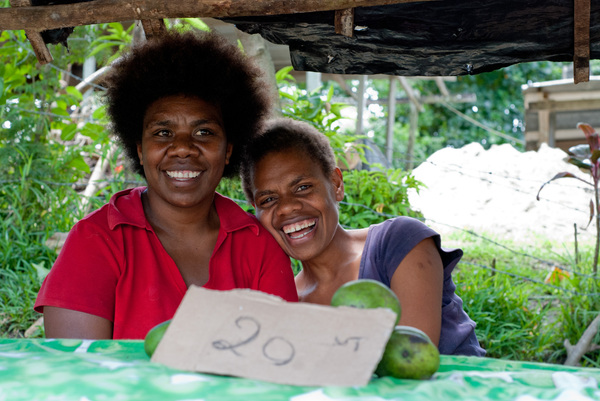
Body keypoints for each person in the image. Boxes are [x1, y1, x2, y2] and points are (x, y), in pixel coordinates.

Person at [34, 31, 298, 340]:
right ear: (139, 149)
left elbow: (279, 359)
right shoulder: (97, 240)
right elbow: (78, 372)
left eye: (203, 132)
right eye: (162, 133)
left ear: (228, 150)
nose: (183, 147)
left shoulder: (257, 245)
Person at [240, 118, 485, 356]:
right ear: (255, 210)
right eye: (268, 199)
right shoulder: (288, 301)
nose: (287, 208)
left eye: (303, 187)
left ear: (336, 184)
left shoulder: (397, 243)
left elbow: (411, 361)